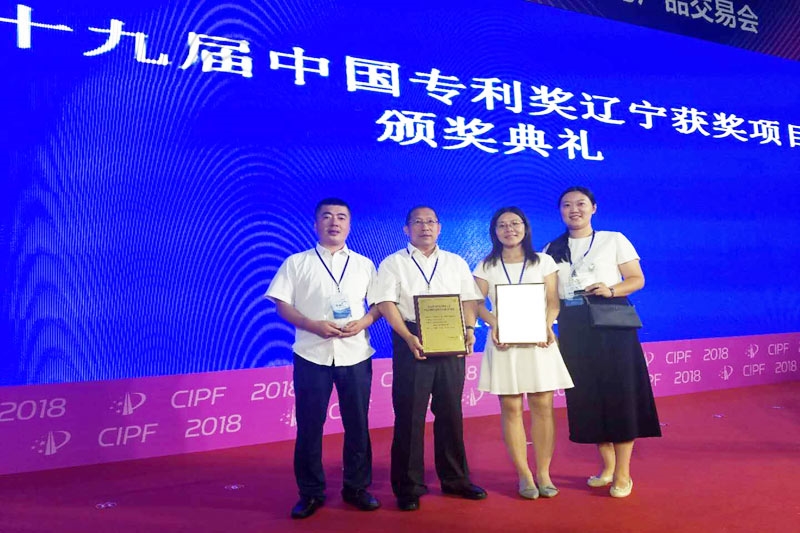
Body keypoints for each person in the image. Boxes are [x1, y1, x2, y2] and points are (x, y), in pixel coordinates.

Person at [265, 198, 382, 519]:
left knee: (358, 424)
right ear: (315, 223)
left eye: (341, 217)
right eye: (327, 216)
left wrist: (365, 322)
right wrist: (311, 324)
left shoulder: (364, 264)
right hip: (311, 354)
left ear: (349, 225)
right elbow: (282, 304)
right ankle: (310, 492)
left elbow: (378, 305)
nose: (334, 222)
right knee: (309, 426)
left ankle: (356, 488)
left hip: (355, 353)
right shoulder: (296, 262)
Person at [544, 186, 661, 498]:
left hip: (611, 322)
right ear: (560, 211)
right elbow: (550, 295)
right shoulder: (552, 248)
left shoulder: (614, 239)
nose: (574, 209)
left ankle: (623, 473)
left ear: (593, 208)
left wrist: (611, 289)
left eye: (581, 204)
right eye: (567, 205)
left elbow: (637, 279)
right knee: (589, 396)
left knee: (620, 395)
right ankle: (607, 467)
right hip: (574, 326)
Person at [369, 206, 487, 511]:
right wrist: (407, 337)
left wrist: (470, 329)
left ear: (439, 227)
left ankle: (456, 479)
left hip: (450, 337)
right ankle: (408, 486)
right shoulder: (393, 262)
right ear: (406, 229)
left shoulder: (455, 262)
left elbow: (469, 299)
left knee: (450, 412)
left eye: (431, 222)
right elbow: (385, 302)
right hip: (411, 337)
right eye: (418, 222)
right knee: (410, 414)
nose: (425, 227)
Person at [473, 207, 574, 500]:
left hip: (538, 341)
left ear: (525, 227)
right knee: (511, 407)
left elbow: (553, 302)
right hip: (504, 343)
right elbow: (476, 303)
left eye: (515, 223)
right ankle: (524, 474)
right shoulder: (486, 266)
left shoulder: (543, 261)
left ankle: (543, 472)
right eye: (502, 225)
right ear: (494, 231)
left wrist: (546, 326)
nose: (509, 229)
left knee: (543, 405)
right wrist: (494, 324)